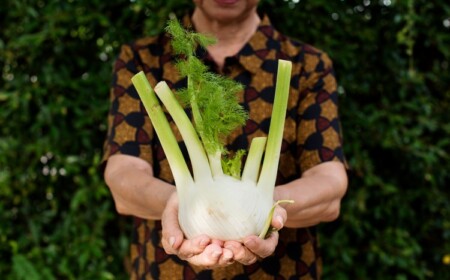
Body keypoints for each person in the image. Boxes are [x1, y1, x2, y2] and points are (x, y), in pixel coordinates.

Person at [103, 0, 348, 278]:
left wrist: (271, 203)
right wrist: (181, 201)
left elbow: (330, 182)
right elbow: (123, 174)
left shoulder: (307, 65)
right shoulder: (141, 59)